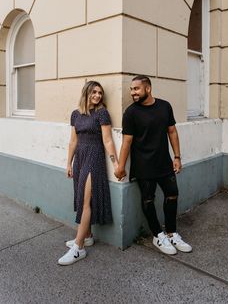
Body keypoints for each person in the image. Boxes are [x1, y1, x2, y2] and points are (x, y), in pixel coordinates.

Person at [115, 75, 192, 255]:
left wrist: (177, 157)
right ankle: (158, 235)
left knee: (172, 194)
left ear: (147, 89)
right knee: (148, 200)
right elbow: (127, 142)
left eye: (136, 89)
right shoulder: (131, 113)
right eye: (131, 89)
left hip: (164, 163)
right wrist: (120, 166)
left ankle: (172, 233)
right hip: (143, 166)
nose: (132, 92)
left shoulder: (165, 106)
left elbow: (172, 132)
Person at [58, 81, 118, 265]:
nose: (98, 95)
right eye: (94, 92)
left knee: (85, 201)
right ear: (86, 93)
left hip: (94, 158)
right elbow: (73, 142)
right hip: (80, 159)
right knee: (80, 197)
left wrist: (116, 164)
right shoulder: (76, 114)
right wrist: (69, 163)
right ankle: (88, 236)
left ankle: (78, 248)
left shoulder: (101, 113)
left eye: (100, 93)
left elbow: (107, 140)